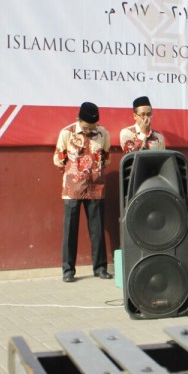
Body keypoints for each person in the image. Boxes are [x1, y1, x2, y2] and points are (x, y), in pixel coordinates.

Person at [53, 102, 112, 282]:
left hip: (95, 186)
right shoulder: (67, 133)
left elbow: (107, 158)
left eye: (92, 127)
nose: (89, 131)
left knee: (97, 228)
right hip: (72, 186)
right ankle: (68, 270)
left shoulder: (103, 133)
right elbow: (58, 159)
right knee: (70, 229)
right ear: (79, 120)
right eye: (86, 127)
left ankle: (100, 268)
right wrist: (75, 173)